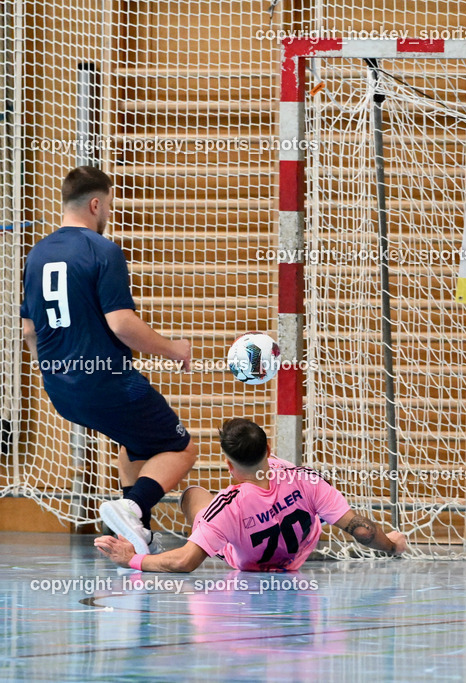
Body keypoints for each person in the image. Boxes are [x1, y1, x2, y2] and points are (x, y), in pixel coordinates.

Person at [20, 166, 196, 554]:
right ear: (96, 204)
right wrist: (173, 349)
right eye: (110, 206)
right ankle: (131, 507)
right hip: (105, 383)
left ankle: (137, 533)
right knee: (182, 448)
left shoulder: (36, 254)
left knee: (133, 442)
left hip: (59, 389)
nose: (110, 214)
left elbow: (30, 331)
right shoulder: (102, 250)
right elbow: (121, 324)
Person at [94, 418, 407, 572]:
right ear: (269, 450)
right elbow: (362, 530)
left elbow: (184, 562)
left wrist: (132, 559)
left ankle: (143, 516)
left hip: (247, 560)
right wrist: (392, 545)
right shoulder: (305, 478)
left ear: (229, 465)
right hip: (296, 557)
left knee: (191, 496)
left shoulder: (226, 508)